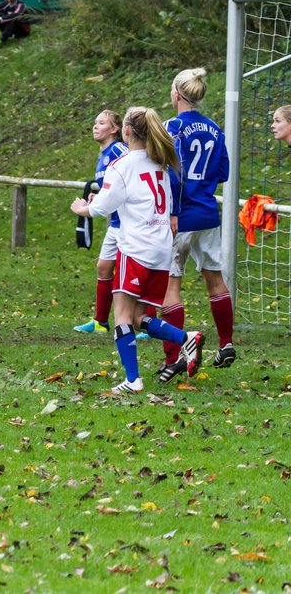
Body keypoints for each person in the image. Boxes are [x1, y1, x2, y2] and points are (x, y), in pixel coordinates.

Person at [71, 106, 203, 395]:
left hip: (137, 248)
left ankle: (133, 379)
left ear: (126, 131)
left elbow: (102, 207)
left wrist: (84, 208)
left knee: (121, 316)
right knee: (136, 317)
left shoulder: (123, 164)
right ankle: (186, 338)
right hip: (160, 249)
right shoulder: (160, 164)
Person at [159, 68, 236, 378]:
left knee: (170, 283)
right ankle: (227, 344)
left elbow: (174, 173)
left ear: (177, 93)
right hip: (207, 212)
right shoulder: (216, 129)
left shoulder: (171, 127)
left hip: (182, 215)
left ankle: (174, 356)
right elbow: (224, 172)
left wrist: (175, 210)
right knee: (214, 278)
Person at [73, 110, 129, 335]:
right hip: (115, 221)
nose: (95, 126)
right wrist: (101, 197)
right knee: (103, 267)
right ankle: (100, 322)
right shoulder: (104, 153)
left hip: (129, 223)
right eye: (95, 122)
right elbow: (112, 186)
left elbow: (132, 177)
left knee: (133, 272)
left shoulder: (120, 150)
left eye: (102, 123)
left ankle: (144, 322)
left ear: (115, 129)